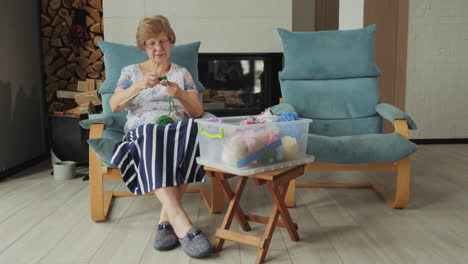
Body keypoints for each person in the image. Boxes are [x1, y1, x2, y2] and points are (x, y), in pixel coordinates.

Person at [108, 15, 212, 258]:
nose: (158, 48)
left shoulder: (181, 73)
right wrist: (139, 86)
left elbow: (197, 112)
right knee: (150, 133)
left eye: (163, 41)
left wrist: (180, 95)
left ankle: (166, 222)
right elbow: (114, 106)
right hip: (142, 134)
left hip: (176, 131)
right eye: (152, 43)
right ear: (143, 46)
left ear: (171, 42)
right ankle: (182, 223)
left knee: (193, 130)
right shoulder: (130, 72)